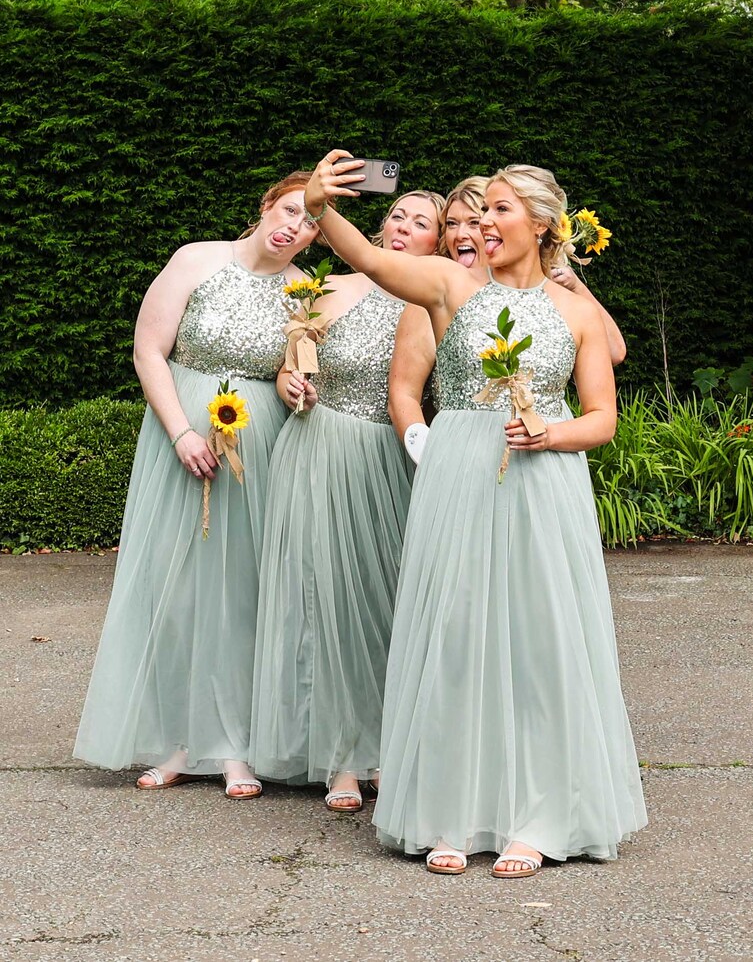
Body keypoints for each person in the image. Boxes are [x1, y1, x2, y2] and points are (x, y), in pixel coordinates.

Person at [303, 151, 647, 875]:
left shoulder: (576, 311)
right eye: (479, 209)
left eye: (498, 209)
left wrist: (548, 432)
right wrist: (318, 203)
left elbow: (604, 418)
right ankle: (448, 809)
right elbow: (363, 252)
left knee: (538, 643)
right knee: (454, 636)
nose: (479, 223)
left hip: (542, 484)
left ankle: (540, 815)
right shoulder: (452, 286)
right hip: (458, 474)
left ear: (543, 224)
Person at [74, 172, 320, 799]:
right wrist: (182, 432)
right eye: (289, 209)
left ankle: (235, 744)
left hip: (259, 442)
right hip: (179, 428)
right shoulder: (197, 259)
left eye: (310, 220)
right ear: (265, 206)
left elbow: (297, 371)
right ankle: (178, 740)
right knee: (175, 587)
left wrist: (292, 387)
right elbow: (148, 350)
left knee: (244, 590)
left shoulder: (303, 292)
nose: (294, 225)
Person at [250, 186, 445, 812]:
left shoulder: (434, 296)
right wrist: (291, 384)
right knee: (322, 598)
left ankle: (390, 745)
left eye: (421, 223)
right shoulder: (327, 288)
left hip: (388, 458)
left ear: (438, 243)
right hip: (317, 450)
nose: (403, 227)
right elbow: (290, 368)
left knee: (385, 599)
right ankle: (340, 757)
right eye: (396, 214)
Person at [388, 176, 626, 452]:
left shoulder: (554, 299)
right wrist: (428, 454)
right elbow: (403, 393)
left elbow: (614, 351)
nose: (459, 234)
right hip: (461, 449)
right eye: (451, 224)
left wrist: (573, 284)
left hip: (540, 450)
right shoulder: (435, 300)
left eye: (474, 222)